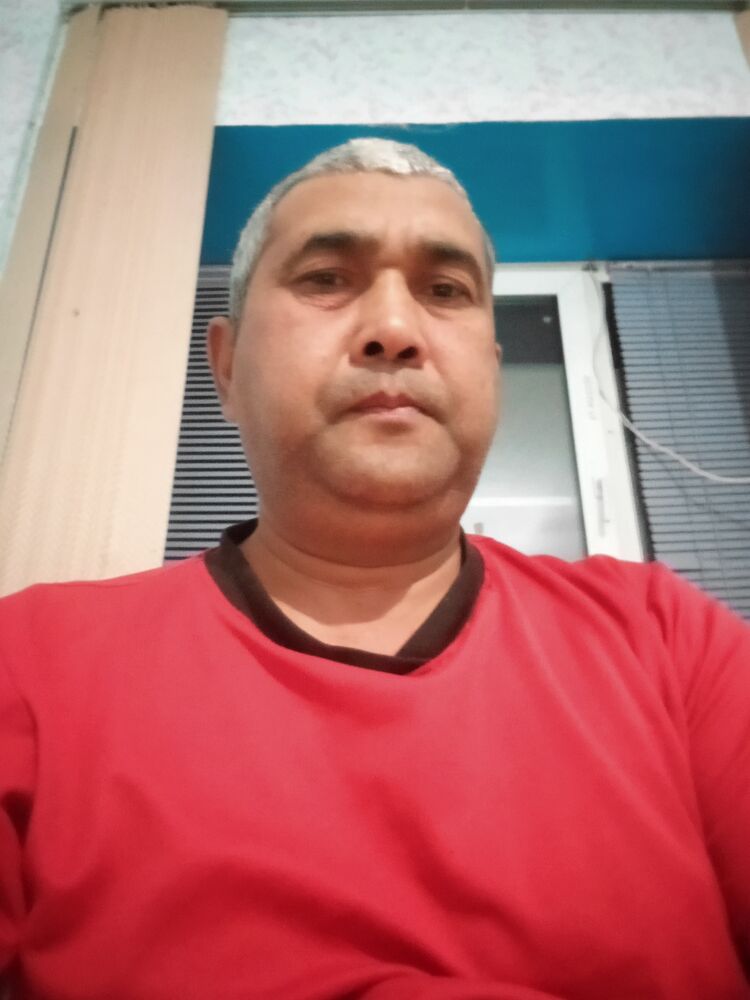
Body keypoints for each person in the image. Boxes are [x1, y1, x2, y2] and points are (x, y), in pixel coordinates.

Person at [0, 138, 748, 1000]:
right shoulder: (30, 664)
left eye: (445, 291)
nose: (394, 329)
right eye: (326, 279)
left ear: (491, 370)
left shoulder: (667, 643)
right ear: (227, 365)